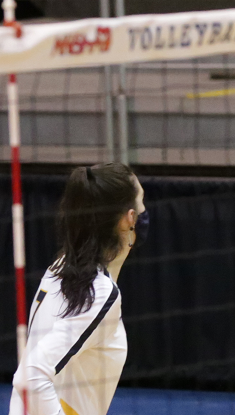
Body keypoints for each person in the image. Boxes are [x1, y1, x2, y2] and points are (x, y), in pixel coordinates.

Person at [10, 163, 149, 415]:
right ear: (129, 218)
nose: (144, 211)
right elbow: (29, 378)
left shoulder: (61, 267)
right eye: (141, 202)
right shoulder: (100, 291)